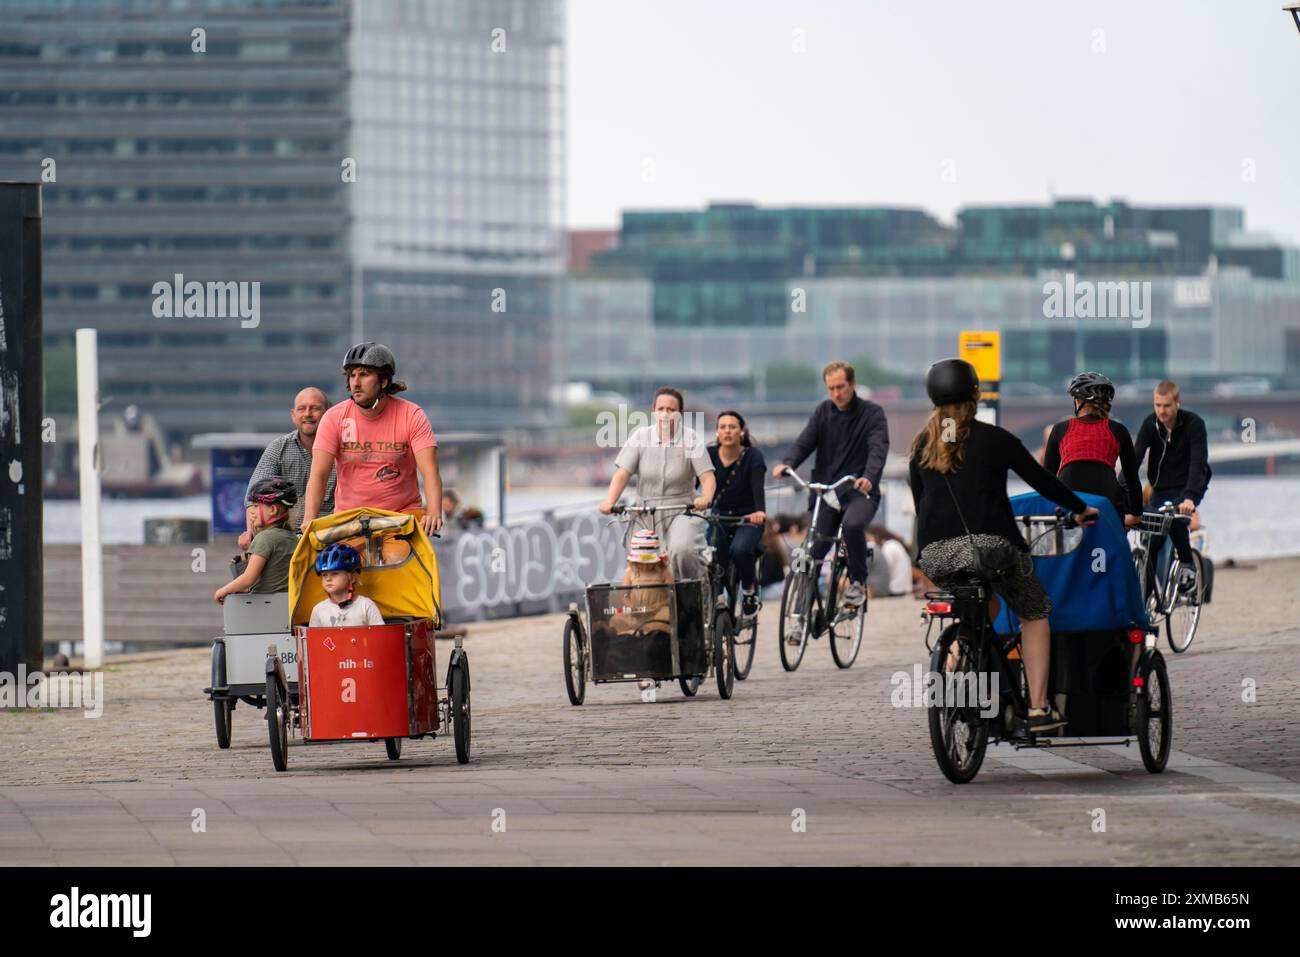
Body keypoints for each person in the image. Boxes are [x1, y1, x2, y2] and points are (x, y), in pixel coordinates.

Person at [908, 358, 1098, 734]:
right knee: (1034, 611)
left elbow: (920, 505)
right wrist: (1080, 509)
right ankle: (1040, 708)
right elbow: (1043, 480)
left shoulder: (921, 447)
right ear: (976, 396)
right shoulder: (995, 440)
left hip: (934, 555)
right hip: (992, 549)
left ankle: (957, 663)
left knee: (980, 605)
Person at [773, 361, 890, 612]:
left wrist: (869, 475)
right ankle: (800, 611)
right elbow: (804, 442)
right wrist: (788, 463)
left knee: (852, 525)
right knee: (813, 548)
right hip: (827, 492)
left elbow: (878, 449)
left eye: (841, 387)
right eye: (831, 388)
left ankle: (857, 581)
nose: (836, 393)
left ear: (852, 384)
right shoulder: (823, 412)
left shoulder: (873, 413)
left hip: (859, 490)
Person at [301, 342, 444, 538]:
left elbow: (430, 473)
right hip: (350, 519)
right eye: (352, 376)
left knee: (403, 559)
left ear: (384, 381)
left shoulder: (412, 415)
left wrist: (434, 513)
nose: (355, 383)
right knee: (336, 567)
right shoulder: (334, 417)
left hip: (401, 516)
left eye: (364, 375)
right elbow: (319, 475)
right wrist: (309, 518)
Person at [598, 387, 716, 581]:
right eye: (660, 408)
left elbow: (707, 477)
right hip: (645, 511)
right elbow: (622, 474)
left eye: (671, 409)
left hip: (683, 509)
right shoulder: (640, 437)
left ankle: (697, 595)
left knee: (682, 550)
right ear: (653, 411)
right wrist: (610, 501)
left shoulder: (691, 439)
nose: (665, 414)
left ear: (681, 414)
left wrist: (706, 498)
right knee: (642, 560)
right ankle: (648, 604)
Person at [1132, 380, 1210, 593]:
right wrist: (1119, 490)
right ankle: (1144, 608)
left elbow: (1198, 464)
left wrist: (1190, 498)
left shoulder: (1194, 424)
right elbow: (1134, 459)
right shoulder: (1150, 424)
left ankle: (1187, 564)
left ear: (1177, 402)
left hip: (1189, 486)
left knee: (1175, 522)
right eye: (1157, 405)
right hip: (1160, 489)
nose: (1161, 411)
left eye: (1166, 405)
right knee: (1151, 542)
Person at [1042, 372, 1142, 528]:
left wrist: (1047, 514)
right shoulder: (1118, 430)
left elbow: (1047, 479)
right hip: (1108, 506)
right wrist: (1136, 514)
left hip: (1069, 507)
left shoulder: (1060, 429)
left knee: (1067, 550)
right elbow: (1132, 479)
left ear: (1078, 401)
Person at [239, 387, 336, 548]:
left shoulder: (344, 448)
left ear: (329, 413)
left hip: (333, 534)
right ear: (293, 415)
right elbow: (253, 496)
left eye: (315, 408)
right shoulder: (278, 448)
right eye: (301, 409)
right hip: (286, 536)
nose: (307, 414)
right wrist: (250, 532)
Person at [707, 410, 767, 618]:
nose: (727, 431)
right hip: (719, 517)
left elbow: (757, 487)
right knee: (714, 554)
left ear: (741, 432)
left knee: (741, 550)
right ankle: (719, 594)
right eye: (722, 427)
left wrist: (760, 511)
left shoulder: (753, 456)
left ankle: (749, 591)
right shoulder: (710, 455)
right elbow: (697, 483)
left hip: (748, 518)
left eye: (732, 427)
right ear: (717, 432)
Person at [215, 477, 299, 603]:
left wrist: (222, 591)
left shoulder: (264, 538)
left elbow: (249, 579)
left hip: (264, 608)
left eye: (255, 506)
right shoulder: (293, 538)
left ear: (272, 510)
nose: (251, 512)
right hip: (287, 606)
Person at [308, 543, 386, 627]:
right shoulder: (319, 610)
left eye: (334, 574)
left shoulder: (365, 605)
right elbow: (314, 639)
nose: (328, 579)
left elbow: (380, 635)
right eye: (324, 575)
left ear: (352, 578)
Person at [866, 525, 913, 598]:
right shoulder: (894, 544)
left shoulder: (889, 546)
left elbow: (884, 569)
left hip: (895, 589)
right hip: (902, 588)